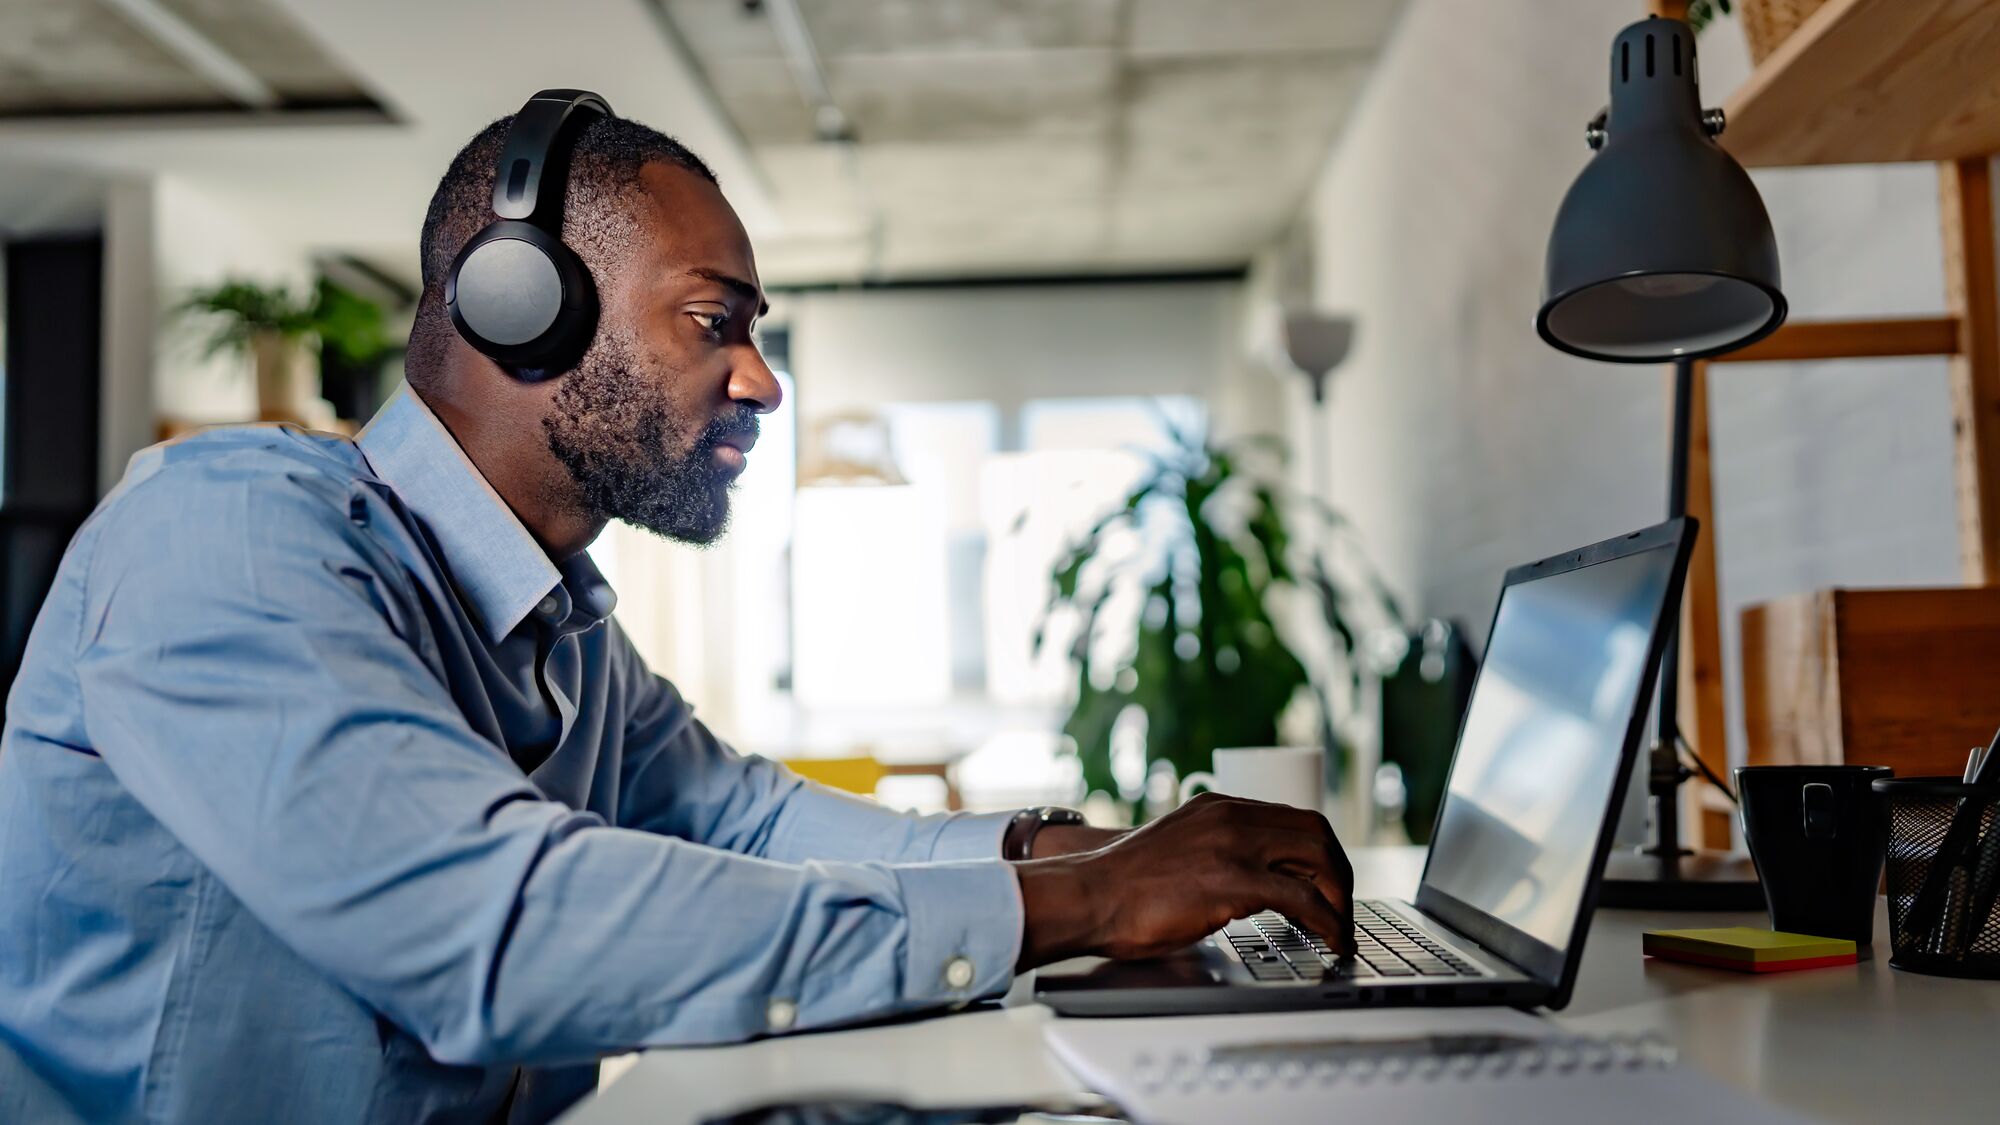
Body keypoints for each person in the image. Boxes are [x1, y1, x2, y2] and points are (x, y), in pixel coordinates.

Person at [0, 102, 1353, 1125]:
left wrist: (1062, 843)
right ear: (518, 310)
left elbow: (748, 817)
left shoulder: (567, 631)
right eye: (716, 322)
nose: (763, 383)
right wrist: (1079, 902)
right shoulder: (225, 539)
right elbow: (503, 924)